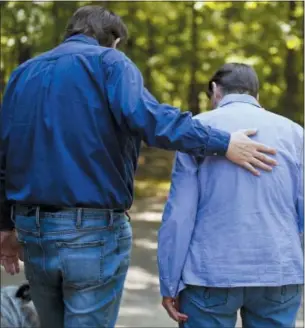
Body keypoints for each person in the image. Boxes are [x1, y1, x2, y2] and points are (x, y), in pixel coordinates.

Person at [0, 6, 277, 328]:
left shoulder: (24, 73)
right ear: (113, 40)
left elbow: (5, 152)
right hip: (90, 229)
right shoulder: (109, 62)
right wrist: (222, 143)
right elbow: (150, 118)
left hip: (32, 229)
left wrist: (5, 226)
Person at [158, 63, 303, 328]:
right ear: (256, 95)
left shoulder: (197, 130)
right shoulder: (295, 134)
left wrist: (169, 283)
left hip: (209, 275)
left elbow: (180, 214)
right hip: (279, 273)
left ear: (215, 90)